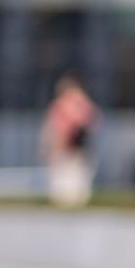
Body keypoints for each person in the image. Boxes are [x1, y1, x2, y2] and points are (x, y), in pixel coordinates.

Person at [42, 71, 99, 208]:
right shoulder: (83, 104)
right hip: (77, 150)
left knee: (67, 187)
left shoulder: (65, 105)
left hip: (70, 150)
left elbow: (57, 130)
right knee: (73, 186)